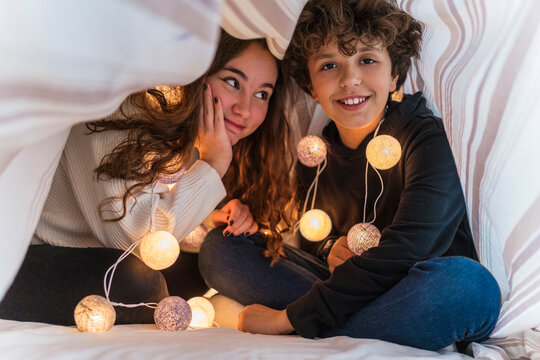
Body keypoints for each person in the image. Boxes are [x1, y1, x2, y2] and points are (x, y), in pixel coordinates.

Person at [198, 0, 501, 351]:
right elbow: (314, 249)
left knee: (469, 287)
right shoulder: (316, 154)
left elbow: (411, 248)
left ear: (394, 75)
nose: (349, 79)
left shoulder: (424, 137)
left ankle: (315, 326)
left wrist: (287, 319)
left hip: (419, 288)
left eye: (367, 60)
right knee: (222, 247)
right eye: (329, 65)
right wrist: (331, 249)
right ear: (310, 86)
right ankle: (350, 326)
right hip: (350, 293)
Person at [0, 30, 296, 326]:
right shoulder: (129, 108)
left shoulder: (195, 137)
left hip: (87, 257)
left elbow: (152, 214)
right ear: (199, 74)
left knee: (213, 259)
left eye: (262, 95)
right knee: (138, 283)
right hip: (22, 261)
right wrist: (213, 165)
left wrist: (208, 221)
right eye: (233, 82)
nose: (244, 109)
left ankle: (325, 300)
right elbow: (136, 241)